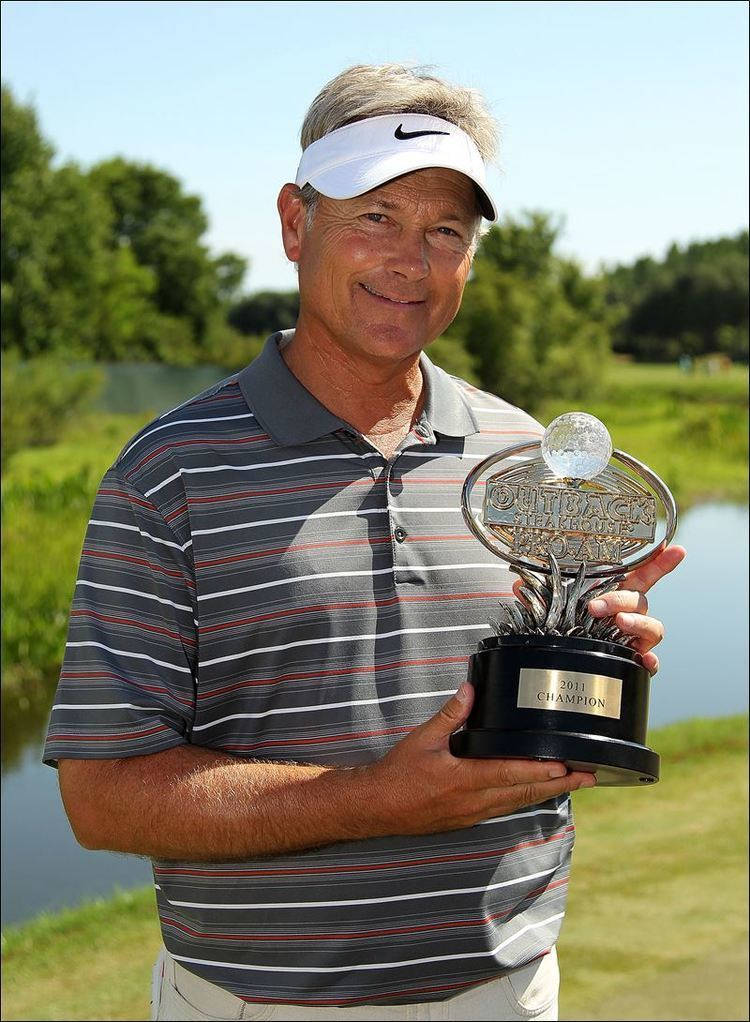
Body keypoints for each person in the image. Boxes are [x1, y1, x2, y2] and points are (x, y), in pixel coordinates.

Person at [44, 64, 685, 1022]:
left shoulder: (530, 461)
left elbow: (549, 696)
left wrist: (599, 651)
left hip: (506, 991)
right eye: (375, 218)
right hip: (265, 1002)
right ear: (296, 223)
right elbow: (104, 799)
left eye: (446, 233)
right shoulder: (168, 472)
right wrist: (377, 797)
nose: (411, 263)